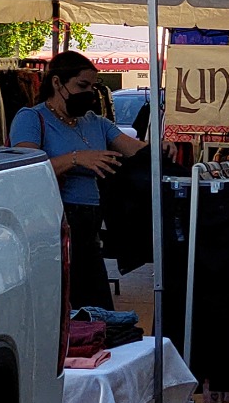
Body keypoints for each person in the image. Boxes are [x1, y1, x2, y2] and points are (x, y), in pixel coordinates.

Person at [10, 51, 148, 311]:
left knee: (96, 309)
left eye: (92, 87)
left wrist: (159, 148)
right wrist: (76, 159)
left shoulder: (95, 122)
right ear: (57, 83)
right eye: (81, 86)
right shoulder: (31, 118)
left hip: (90, 225)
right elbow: (25, 171)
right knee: (63, 306)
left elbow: (136, 150)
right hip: (54, 225)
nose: (88, 93)